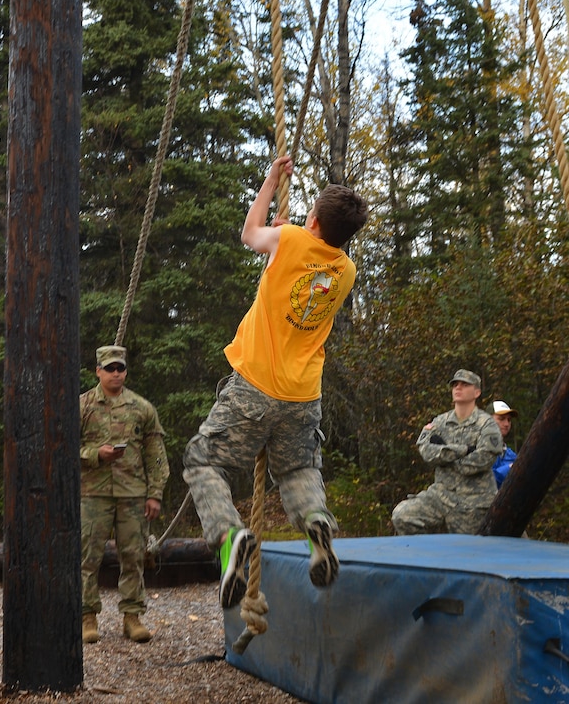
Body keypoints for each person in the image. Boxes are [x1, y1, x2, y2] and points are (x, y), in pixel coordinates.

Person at [182, 156, 368, 609]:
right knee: (299, 470)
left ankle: (230, 536)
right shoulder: (346, 272)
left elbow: (250, 233)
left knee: (201, 461)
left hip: (255, 385)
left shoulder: (288, 239)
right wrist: (292, 238)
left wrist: (271, 181)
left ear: (314, 220)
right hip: (303, 396)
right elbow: (304, 267)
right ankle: (317, 527)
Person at [79, 345, 170, 644]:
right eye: (109, 368)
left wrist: (154, 494)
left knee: (133, 556)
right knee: (86, 556)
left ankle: (132, 616)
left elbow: (156, 454)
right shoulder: (82, 406)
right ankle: (87, 616)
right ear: (98, 371)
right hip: (93, 493)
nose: (115, 373)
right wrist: (95, 454)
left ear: (126, 371)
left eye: (120, 368)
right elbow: (62, 447)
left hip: (133, 493)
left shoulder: (142, 408)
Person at [391, 370, 503, 535]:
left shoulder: (487, 425)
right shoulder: (439, 422)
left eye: (465, 385)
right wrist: (463, 450)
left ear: (477, 392)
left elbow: (481, 461)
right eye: (455, 384)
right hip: (441, 495)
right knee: (403, 516)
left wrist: (443, 455)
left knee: (468, 552)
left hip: (474, 501)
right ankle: (428, 558)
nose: (458, 388)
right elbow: (426, 453)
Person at [491, 400, 519, 488]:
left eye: (509, 420)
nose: (506, 424)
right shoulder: (475, 448)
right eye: (501, 419)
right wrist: (510, 469)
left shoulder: (511, 455)